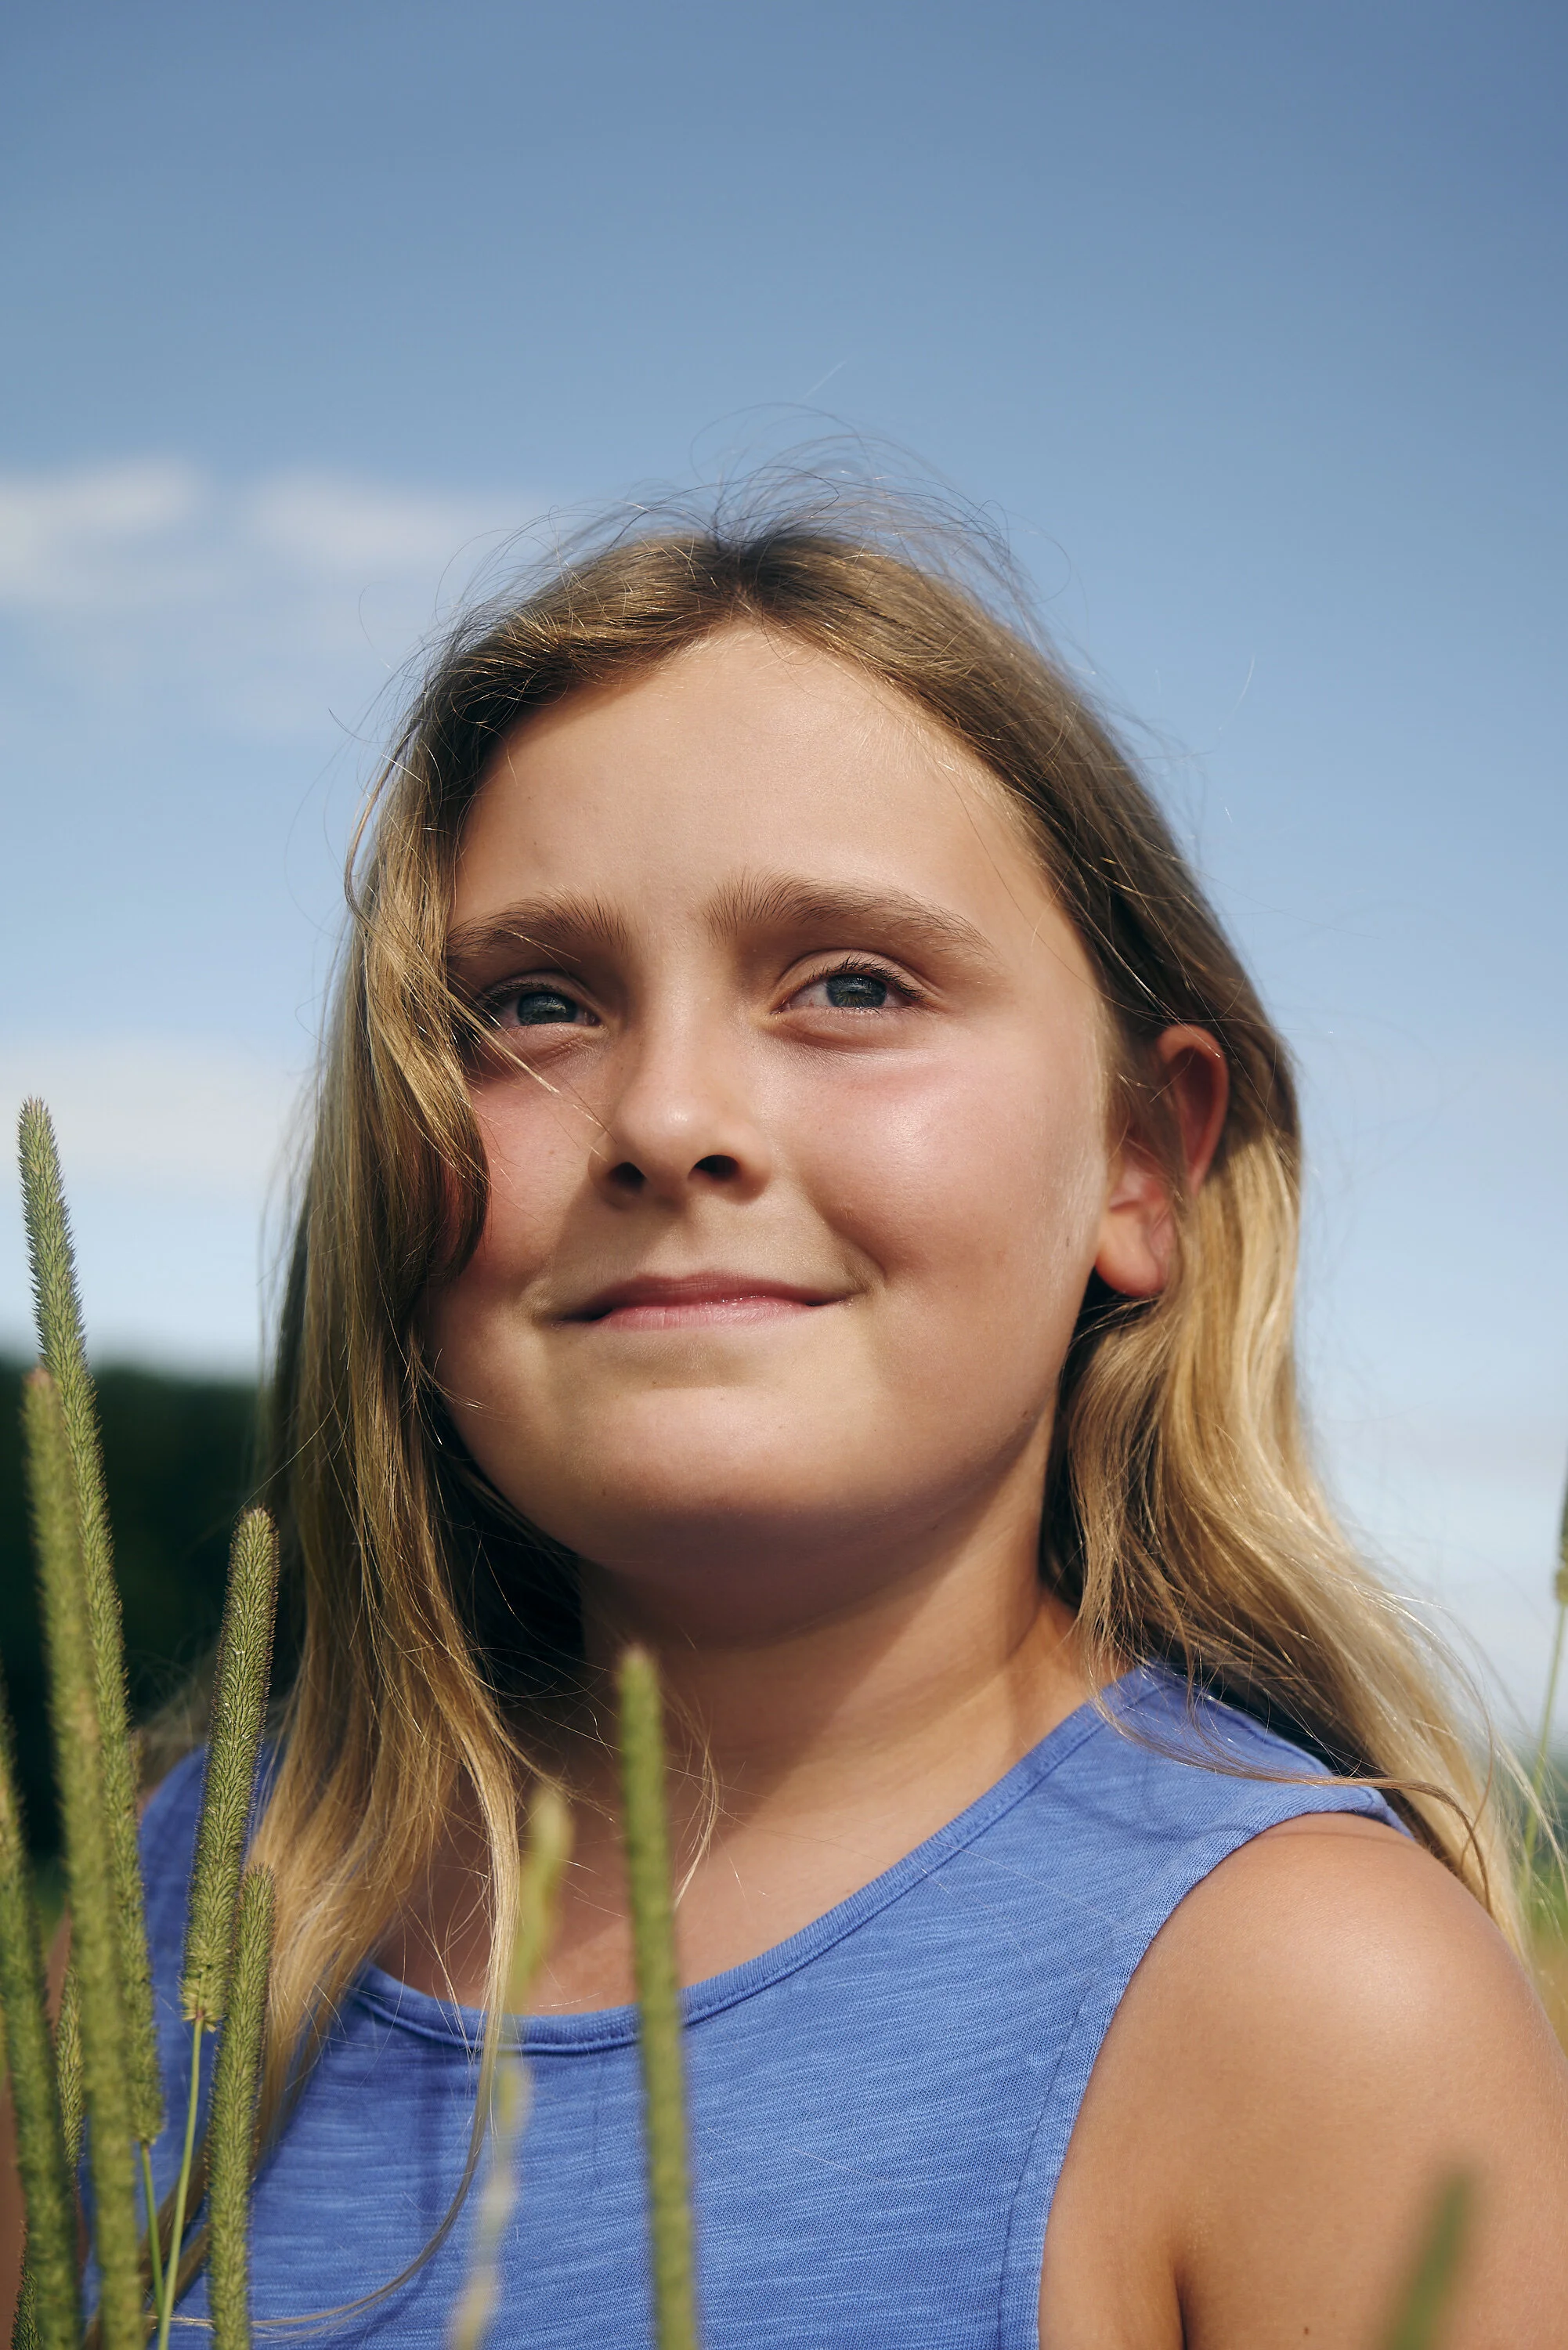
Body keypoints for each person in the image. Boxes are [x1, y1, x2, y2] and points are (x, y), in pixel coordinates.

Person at [98, 490, 1568, 2341]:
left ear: (1141, 1159)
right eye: (536, 1004)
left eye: (851, 984)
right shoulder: (179, 1935)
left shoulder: (1305, 2002)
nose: (666, 1117)